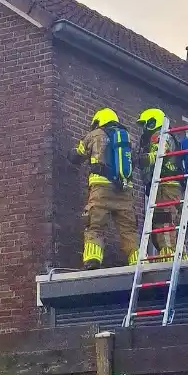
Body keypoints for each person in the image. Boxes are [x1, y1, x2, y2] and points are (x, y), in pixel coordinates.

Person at [68, 108, 139, 269]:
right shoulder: (129, 138)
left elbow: (77, 155)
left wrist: (70, 154)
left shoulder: (95, 135)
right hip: (125, 191)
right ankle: (137, 260)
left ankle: (93, 260)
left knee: (95, 225)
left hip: (101, 190)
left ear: (99, 121)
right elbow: (136, 161)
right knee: (129, 230)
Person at [136, 108, 188, 262]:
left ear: (153, 122)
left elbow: (158, 153)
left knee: (162, 221)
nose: (144, 128)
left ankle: (167, 259)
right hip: (175, 189)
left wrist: (141, 159)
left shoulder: (161, 136)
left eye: (145, 124)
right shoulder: (170, 137)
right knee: (175, 227)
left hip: (166, 187)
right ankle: (180, 259)